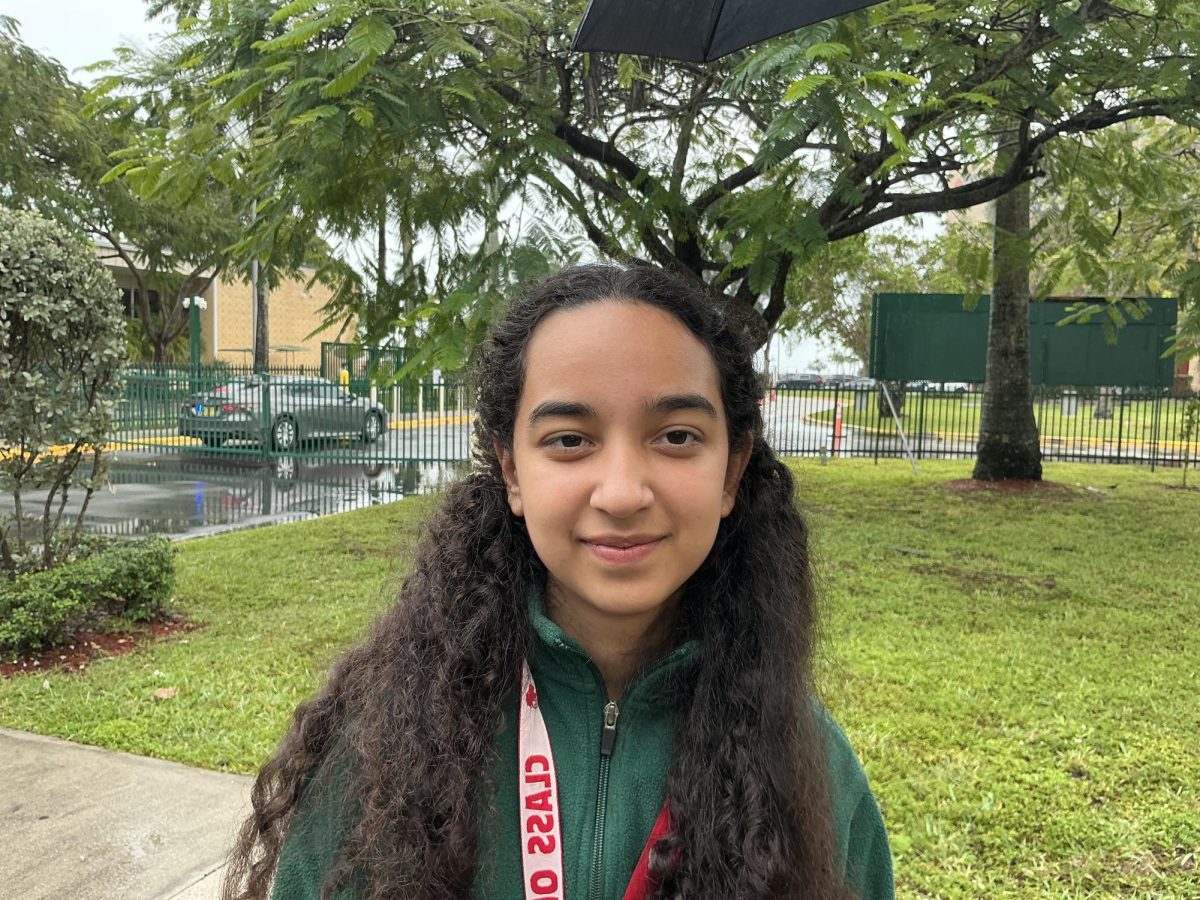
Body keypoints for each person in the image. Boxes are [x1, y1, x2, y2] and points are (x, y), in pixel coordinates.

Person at [223, 265, 894, 900]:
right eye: (570, 440)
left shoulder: (816, 779)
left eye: (678, 436)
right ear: (511, 469)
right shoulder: (377, 754)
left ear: (732, 468)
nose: (624, 492)